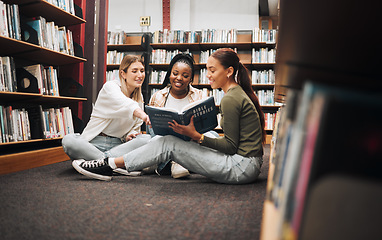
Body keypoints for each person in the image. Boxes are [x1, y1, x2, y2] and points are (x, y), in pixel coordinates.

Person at [72, 48, 265, 184]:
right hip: (247, 164)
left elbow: (230, 147)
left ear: (229, 71)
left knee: (169, 143)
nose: (208, 75)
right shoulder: (237, 93)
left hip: (241, 168)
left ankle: (108, 165)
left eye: (212, 70)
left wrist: (195, 136)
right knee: (167, 141)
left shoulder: (230, 99)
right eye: (207, 70)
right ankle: (111, 164)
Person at [62, 55, 151, 175]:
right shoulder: (110, 87)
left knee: (147, 139)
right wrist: (143, 115)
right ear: (123, 74)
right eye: (134, 71)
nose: (140, 75)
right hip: (94, 143)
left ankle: (100, 164)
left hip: (117, 146)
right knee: (69, 140)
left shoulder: (139, 99)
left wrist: (130, 135)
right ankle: (112, 164)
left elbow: (134, 128)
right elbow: (124, 103)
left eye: (142, 71)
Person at [147, 53, 206, 178]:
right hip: (164, 141)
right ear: (169, 75)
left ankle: (162, 164)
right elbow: (152, 129)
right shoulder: (158, 96)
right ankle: (178, 162)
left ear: (190, 79)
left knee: (213, 136)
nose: (179, 78)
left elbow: (203, 124)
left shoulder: (199, 96)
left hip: (190, 140)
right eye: (175, 73)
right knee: (153, 139)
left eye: (185, 76)